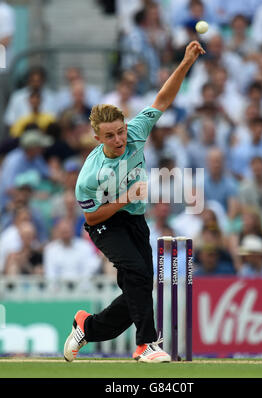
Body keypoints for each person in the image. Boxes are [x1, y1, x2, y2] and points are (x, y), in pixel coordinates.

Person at [63, 40, 206, 363]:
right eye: (110, 136)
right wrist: (125, 197)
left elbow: (163, 99)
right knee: (139, 274)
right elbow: (92, 218)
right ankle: (145, 345)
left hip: (135, 219)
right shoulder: (91, 174)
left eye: (121, 131)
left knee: (138, 288)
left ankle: (88, 326)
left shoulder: (137, 131)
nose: (119, 140)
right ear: (97, 138)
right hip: (105, 225)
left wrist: (185, 62)